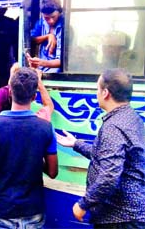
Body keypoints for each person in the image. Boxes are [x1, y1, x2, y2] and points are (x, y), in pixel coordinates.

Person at [57, 68, 145, 228]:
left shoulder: (114, 127)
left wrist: (83, 204)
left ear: (105, 93)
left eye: (97, 89)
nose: (96, 93)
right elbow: (108, 158)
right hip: (128, 216)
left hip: (119, 218)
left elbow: (109, 174)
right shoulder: (131, 118)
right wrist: (76, 144)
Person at [0, 67, 58, 228]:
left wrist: (0, 159)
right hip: (33, 210)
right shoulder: (46, 128)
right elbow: (52, 172)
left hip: (3, 209)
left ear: (10, 93)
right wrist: (32, 158)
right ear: (34, 97)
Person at [29, 0, 64, 73]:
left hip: (58, 74)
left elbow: (62, 61)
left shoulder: (66, 28)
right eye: (47, 18)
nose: (50, 21)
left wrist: (41, 62)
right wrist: (47, 36)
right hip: (41, 71)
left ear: (60, 12)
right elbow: (32, 39)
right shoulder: (41, 22)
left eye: (53, 17)